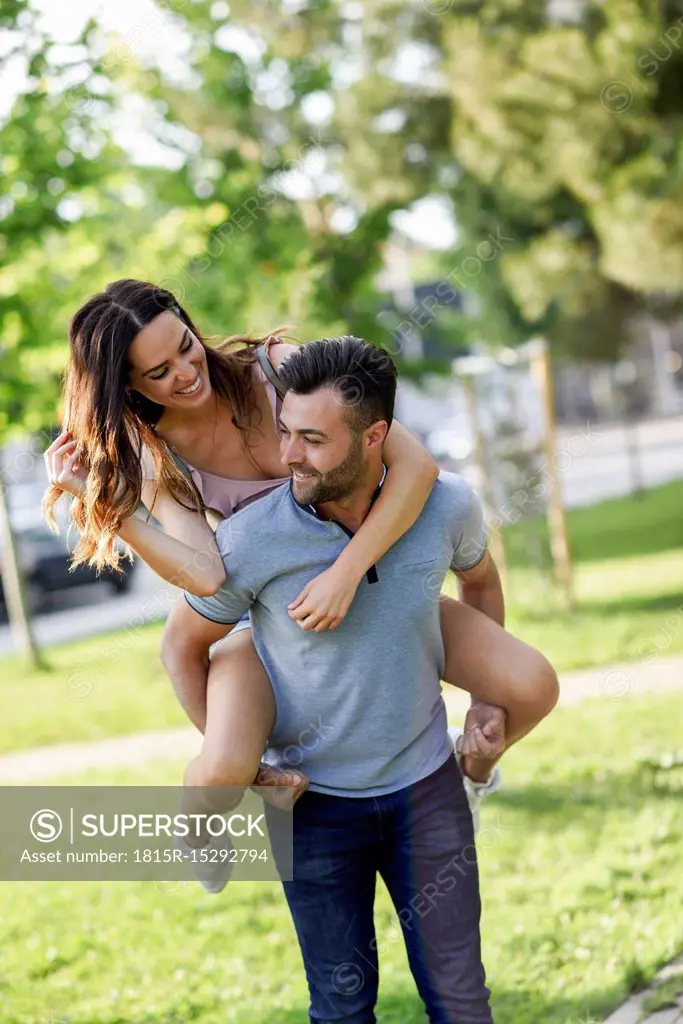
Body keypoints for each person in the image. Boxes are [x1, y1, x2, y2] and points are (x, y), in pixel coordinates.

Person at [43, 279, 558, 807]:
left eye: (184, 346)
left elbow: (416, 466)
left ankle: (466, 777)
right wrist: (113, 511)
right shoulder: (159, 456)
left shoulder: (275, 370)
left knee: (529, 687)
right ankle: (197, 820)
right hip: (274, 617)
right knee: (225, 768)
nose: (186, 372)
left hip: (376, 582)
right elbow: (205, 574)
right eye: (159, 372)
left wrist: (346, 572)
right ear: (129, 387)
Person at [161, 336, 503, 1023]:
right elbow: (182, 645)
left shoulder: (444, 505)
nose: (286, 456)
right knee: (341, 1010)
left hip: (427, 791)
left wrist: (484, 700)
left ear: (374, 437)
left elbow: (481, 579)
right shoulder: (251, 539)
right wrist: (245, 763)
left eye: (311, 439)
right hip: (314, 809)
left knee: (461, 1001)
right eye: (285, 432)